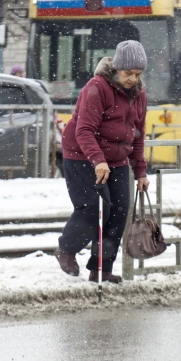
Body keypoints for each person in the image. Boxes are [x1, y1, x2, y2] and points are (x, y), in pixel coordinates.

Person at [55, 40, 150, 284]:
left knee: (119, 212)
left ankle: (101, 268)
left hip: (116, 160)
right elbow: (84, 130)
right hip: (81, 155)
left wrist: (140, 171)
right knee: (95, 209)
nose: (132, 79)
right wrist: (98, 160)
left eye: (137, 74)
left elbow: (137, 135)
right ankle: (66, 248)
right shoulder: (96, 88)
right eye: (128, 73)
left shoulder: (139, 95)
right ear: (117, 68)